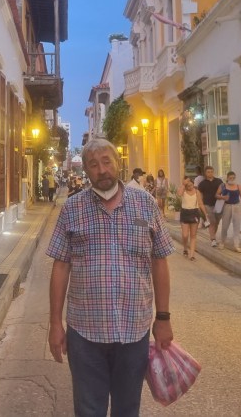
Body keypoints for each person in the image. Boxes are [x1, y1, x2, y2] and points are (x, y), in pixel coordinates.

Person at [47, 138, 174, 416]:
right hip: (85, 333)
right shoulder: (72, 208)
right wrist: (55, 323)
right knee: (88, 409)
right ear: (86, 170)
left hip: (134, 331)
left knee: (127, 409)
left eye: (107, 161)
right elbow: (61, 267)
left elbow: (159, 261)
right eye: (93, 164)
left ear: (118, 163)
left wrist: (163, 318)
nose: (102, 169)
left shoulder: (145, 204)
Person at [216, 171, 241, 252]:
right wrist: (223, 197)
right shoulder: (223, 186)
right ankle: (222, 242)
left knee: (237, 226)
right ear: (227, 178)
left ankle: (236, 245)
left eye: (233, 178)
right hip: (227, 206)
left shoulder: (238, 186)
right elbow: (216, 195)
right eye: (230, 178)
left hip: (237, 206)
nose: (232, 179)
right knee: (225, 226)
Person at [177, 176, 208, 261]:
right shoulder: (183, 190)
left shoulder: (197, 192)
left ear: (193, 184)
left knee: (193, 235)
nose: (189, 187)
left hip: (194, 213)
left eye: (191, 185)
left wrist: (205, 214)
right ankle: (185, 248)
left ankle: (192, 254)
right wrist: (183, 185)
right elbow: (179, 194)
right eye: (188, 186)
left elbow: (200, 203)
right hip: (185, 213)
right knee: (185, 235)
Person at [197, 166, 224, 248]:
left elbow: (223, 191)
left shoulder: (219, 181)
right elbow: (200, 195)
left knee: (217, 222)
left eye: (211, 172)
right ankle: (213, 239)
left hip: (218, 205)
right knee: (212, 222)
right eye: (208, 172)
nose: (210, 173)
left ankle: (213, 237)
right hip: (207, 205)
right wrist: (201, 206)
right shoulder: (202, 184)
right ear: (205, 173)